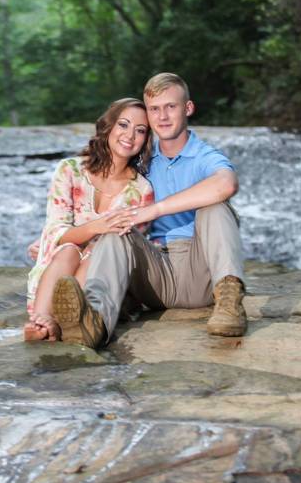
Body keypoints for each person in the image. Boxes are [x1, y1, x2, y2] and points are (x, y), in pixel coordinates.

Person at [46, 72, 248, 349]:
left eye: (171, 107)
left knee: (215, 208)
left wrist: (154, 210)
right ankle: (93, 322)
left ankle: (229, 304)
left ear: (188, 108)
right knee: (117, 229)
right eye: (155, 109)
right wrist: (57, 238)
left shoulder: (204, 156)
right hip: (156, 275)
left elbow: (226, 183)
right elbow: (103, 195)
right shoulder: (141, 160)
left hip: (202, 271)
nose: (162, 116)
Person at [24, 98, 155, 344]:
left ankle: (69, 321)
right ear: (108, 127)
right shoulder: (69, 170)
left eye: (140, 130)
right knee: (68, 251)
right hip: (59, 265)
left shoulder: (142, 190)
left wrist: (92, 236)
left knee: (98, 251)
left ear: (146, 140)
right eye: (123, 125)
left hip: (101, 283)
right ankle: (40, 321)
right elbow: (56, 231)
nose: (130, 135)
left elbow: (127, 248)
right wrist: (96, 226)